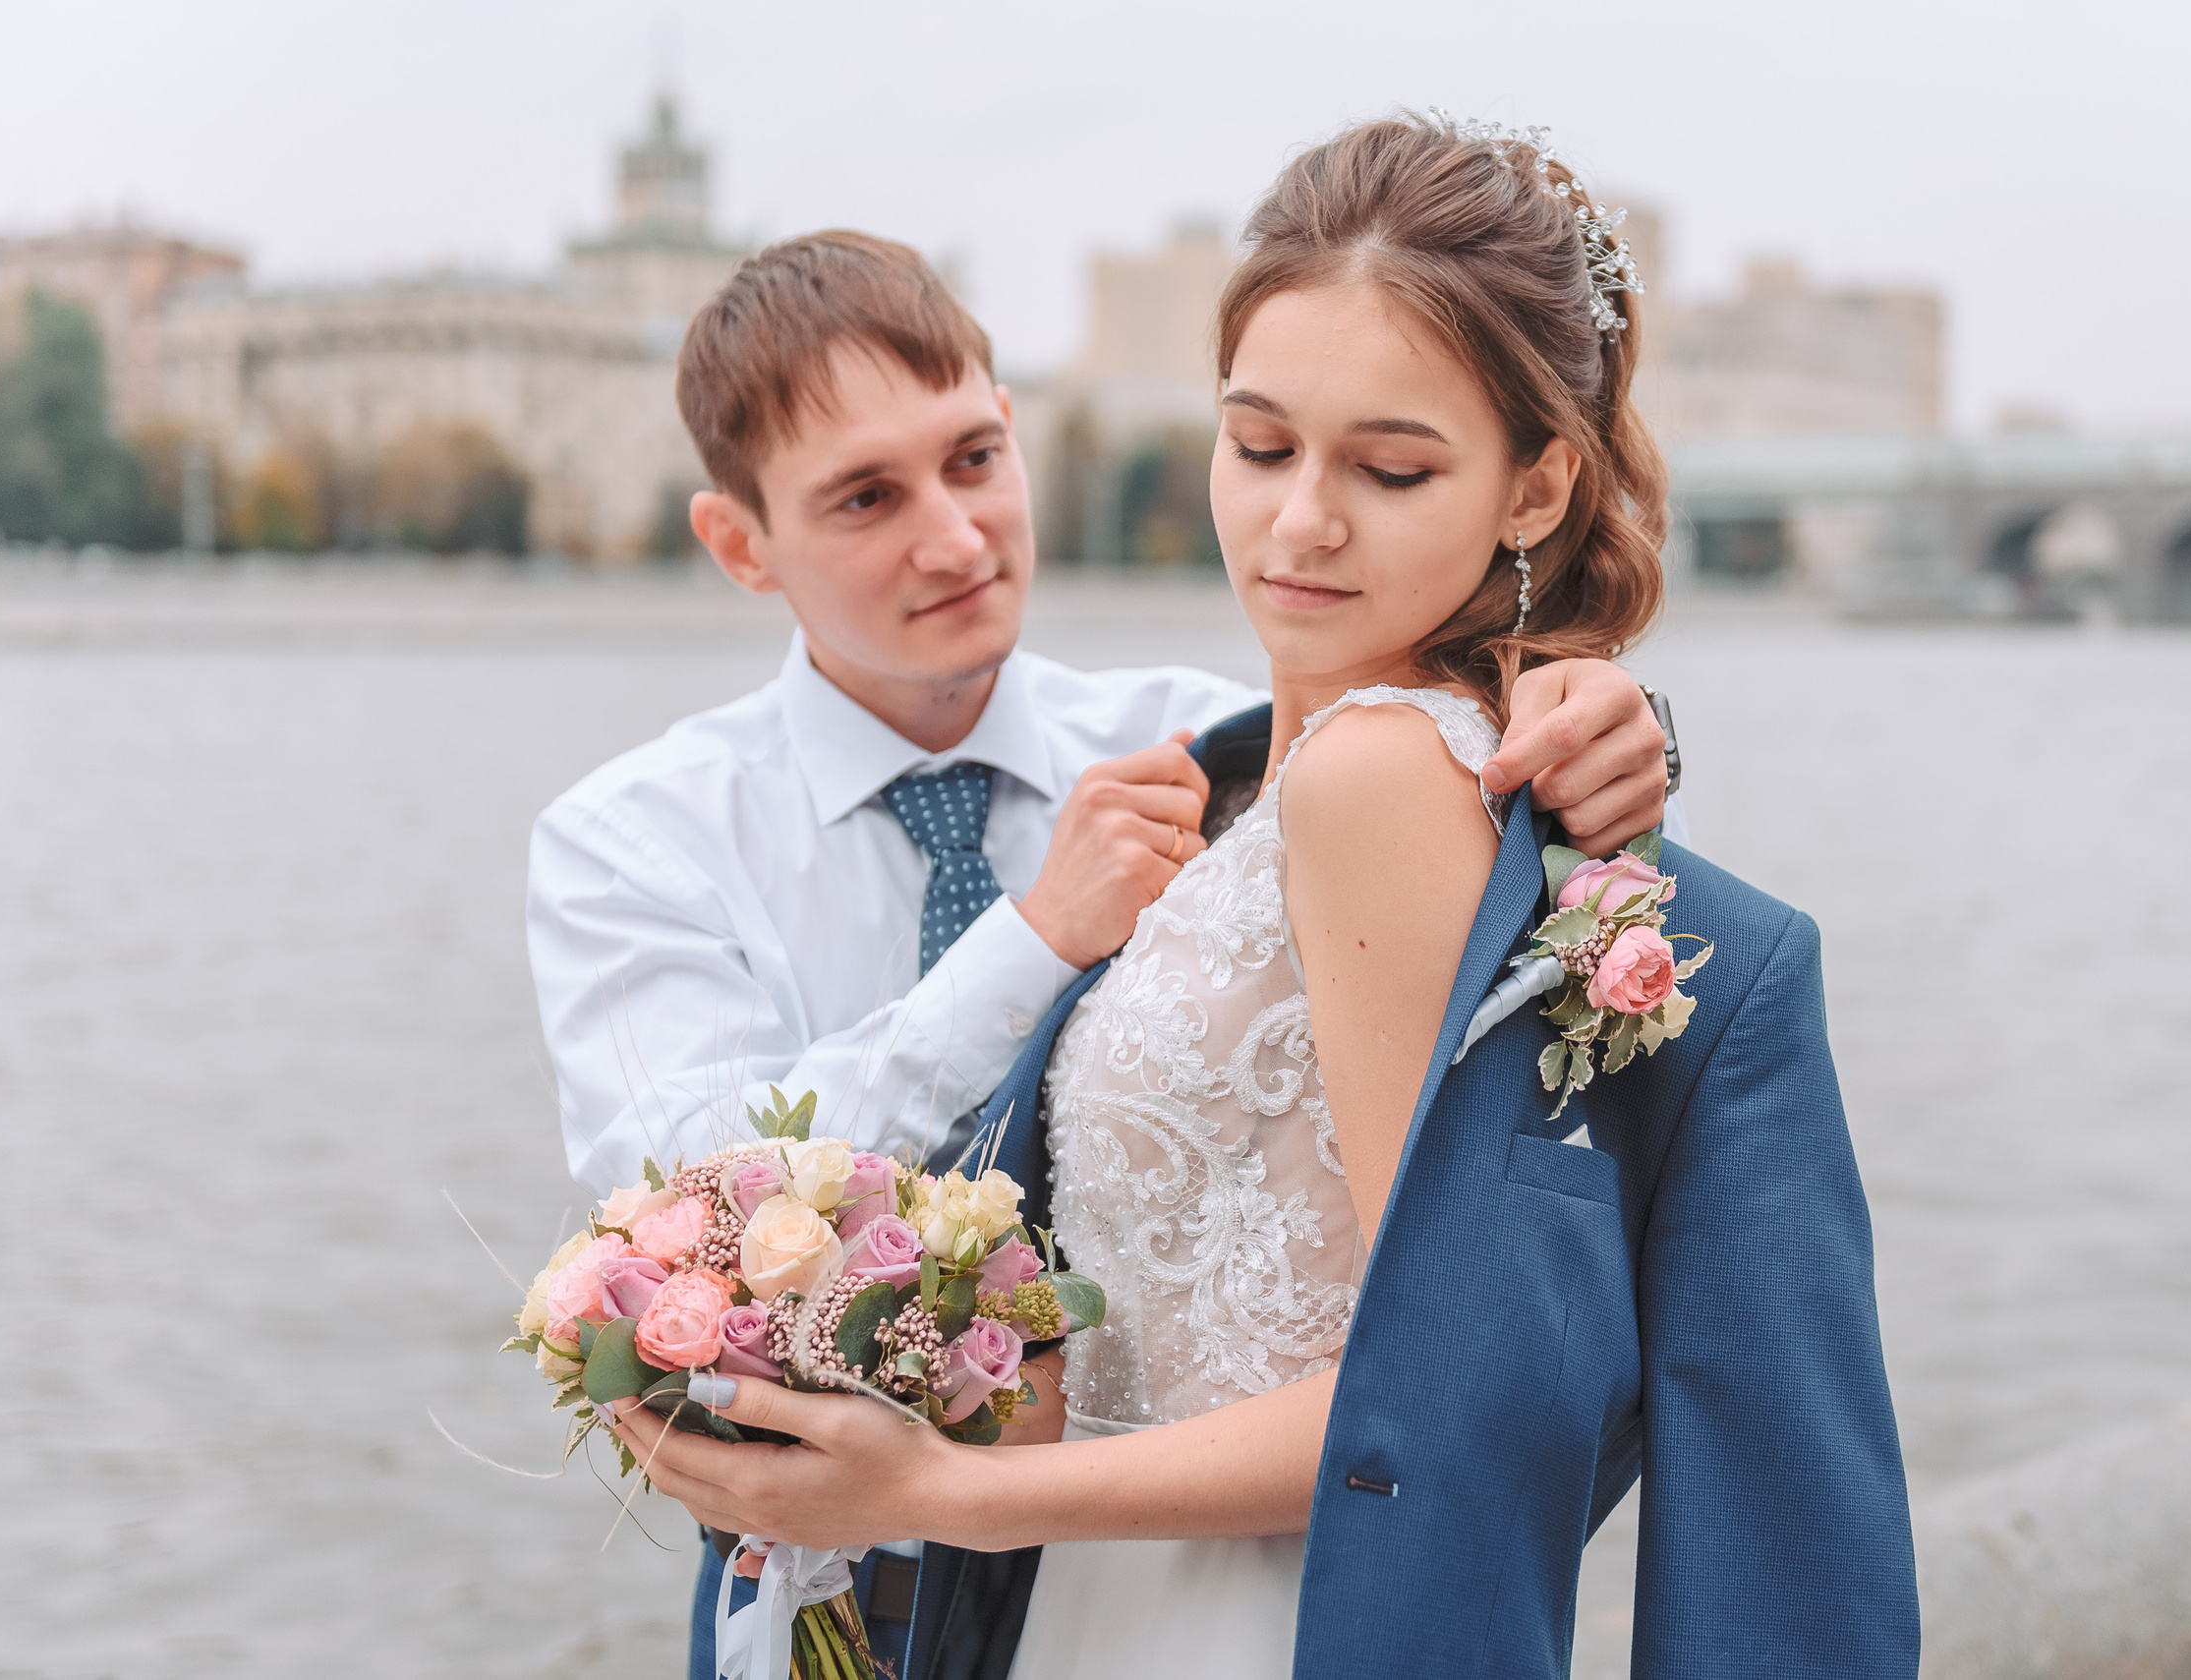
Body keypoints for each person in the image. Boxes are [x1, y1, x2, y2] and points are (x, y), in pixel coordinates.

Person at [613, 115, 1916, 1680]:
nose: (1301, 521)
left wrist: (948, 1494)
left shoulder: (1371, 777)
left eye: (1391, 466)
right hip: (1097, 1597)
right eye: (1259, 444)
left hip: (1258, 1619)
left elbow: (1438, 1388)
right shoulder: (1229, 765)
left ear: (1535, 487)